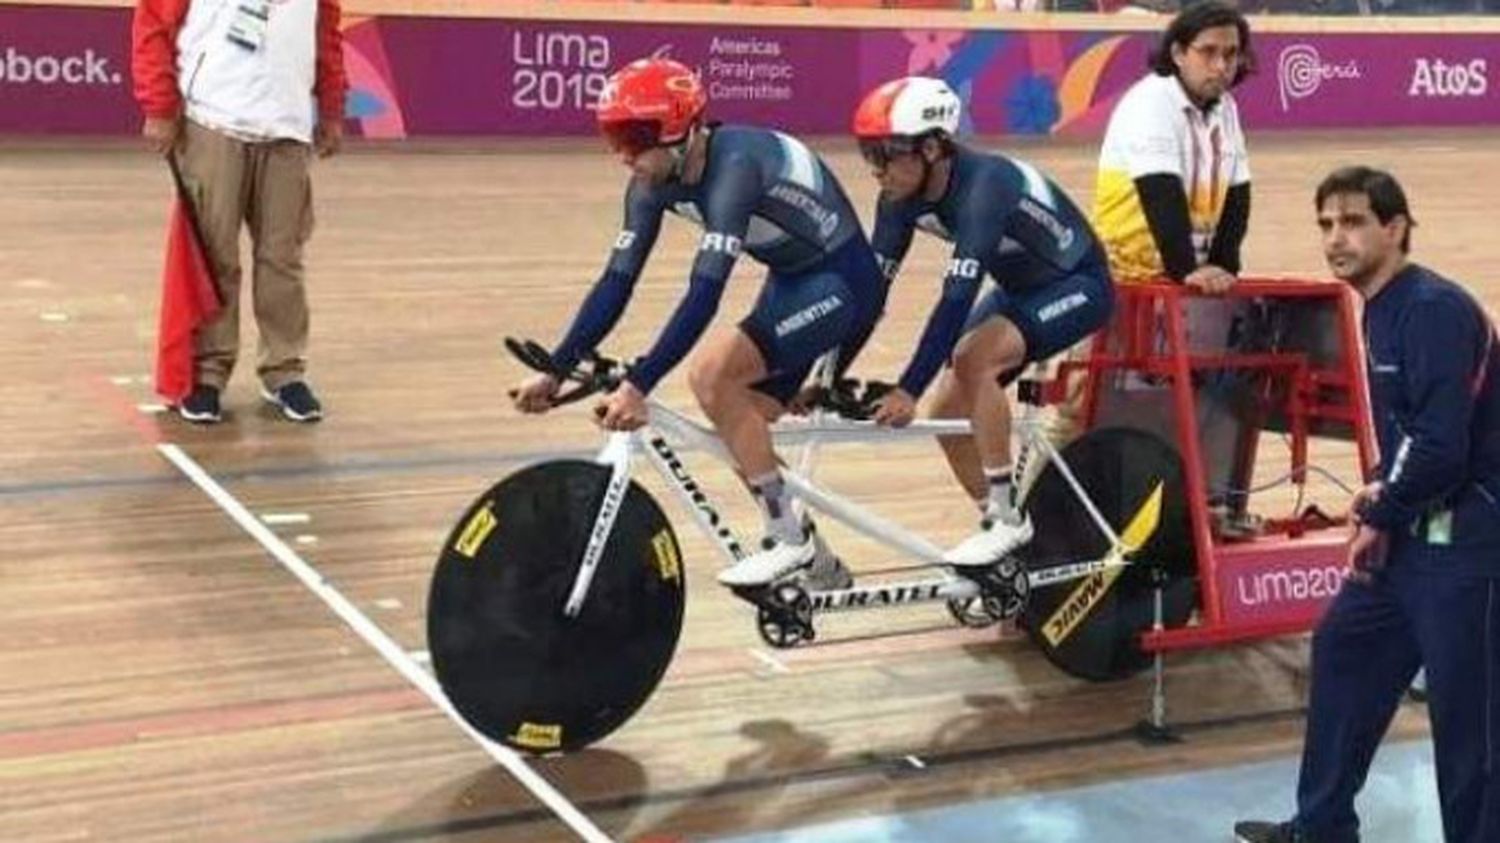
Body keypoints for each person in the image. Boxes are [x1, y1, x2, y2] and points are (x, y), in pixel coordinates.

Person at [511, 57, 887, 590]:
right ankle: (816, 557)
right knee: (742, 428)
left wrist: (641, 383)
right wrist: (557, 367)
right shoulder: (650, 180)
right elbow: (617, 281)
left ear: (681, 129)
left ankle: (789, 543)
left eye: (635, 138)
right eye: (613, 138)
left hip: (844, 283)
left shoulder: (735, 167)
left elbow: (704, 293)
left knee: (712, 379)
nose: (623, 156)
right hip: (792, 281)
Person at [1234, 167, 1500, 843]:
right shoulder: (1380, 306)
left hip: (1472, 542)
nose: (1335, 237)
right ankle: (1322, 824)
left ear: (1396, 228)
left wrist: (1381, 508)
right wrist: (1379, 506)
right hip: (1417, 532)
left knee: (1470, 722)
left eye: (1352, 222)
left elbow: (1442, 445)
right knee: (1346, 647)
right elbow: (1408, 433)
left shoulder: (1434, 309)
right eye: (1326, 223)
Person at [850, 76, 1113, 567]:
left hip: (1079, 285)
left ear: (931, 147)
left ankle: (1008, 517)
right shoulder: (896, 198)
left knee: (973, 361)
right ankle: (1003, 530)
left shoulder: (986, 186)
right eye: (868, 153)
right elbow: (868, 294)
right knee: (947, 418)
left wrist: (906, 387)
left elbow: (954, 300)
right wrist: (822, 374)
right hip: (1019, 290)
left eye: (885, 153)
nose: (875, 170)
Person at [132, 0, 346, 424]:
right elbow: (152, 24)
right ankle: (208, 372)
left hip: (287, 127)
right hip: (213, 120)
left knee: (283, 259)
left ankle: (284, 370)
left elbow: (326, 35)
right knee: (215, 258)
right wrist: (158, 105)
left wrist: (333, 107)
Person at [1092, 0, 1254, 291]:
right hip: (1125, 276)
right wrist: (1187, 271)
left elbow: (1237, 195)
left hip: (1182, 272)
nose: (1221, 66)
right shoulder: (1151, 101)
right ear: (1178, 53)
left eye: (1231, 54)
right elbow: (1159, 192)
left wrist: (1224, 265)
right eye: (1208, 52)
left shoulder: (1226, 108)